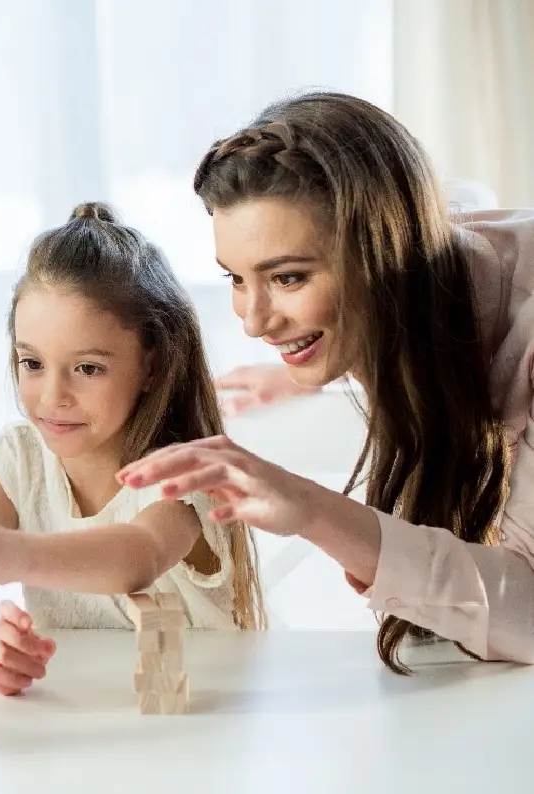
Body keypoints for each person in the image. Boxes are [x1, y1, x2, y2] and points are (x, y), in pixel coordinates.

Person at [113, 91, 534, 671]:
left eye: (286, 278)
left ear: (384, 252)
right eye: (235, 278)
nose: (255, 322)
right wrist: (310, 367)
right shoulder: (431, 251)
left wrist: (308, 509)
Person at [0, 203, 266, 696]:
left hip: (198, 726)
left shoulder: (184, 470)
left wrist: (11, 552)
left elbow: (138, 555)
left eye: (87, 368)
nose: (52, 397)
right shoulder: (16, 464)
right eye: (32, 363)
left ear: (151, 364)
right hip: (81, 719)